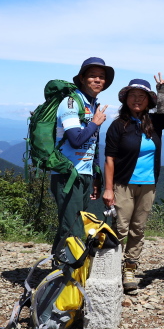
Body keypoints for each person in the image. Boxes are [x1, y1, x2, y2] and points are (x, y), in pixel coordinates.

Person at [103, 75, 164, 293]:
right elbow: (109, 159)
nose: (137, 100)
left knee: (138, 229)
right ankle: (110, 268)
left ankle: (129, 270)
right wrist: (108, 188)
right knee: (120, 228)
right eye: (133, 96)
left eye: (142, 96)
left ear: (149, 100)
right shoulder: (118, 125)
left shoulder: (155, 122)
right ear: (126, 99)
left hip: (148, 184)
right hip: (123, 184)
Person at [51, 57, 113, 252]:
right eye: (92, 76)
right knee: (73, 228)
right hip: (67, 174)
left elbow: (92, 143)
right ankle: (67, 277)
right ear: (82, 78)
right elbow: (75, 139)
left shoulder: (93, 105)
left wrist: (95, 176)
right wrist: (95, 122)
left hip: (83, 175)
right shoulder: (70, 103)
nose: (97, 80)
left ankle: (59, 270)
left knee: (73, 225)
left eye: (101, 77)